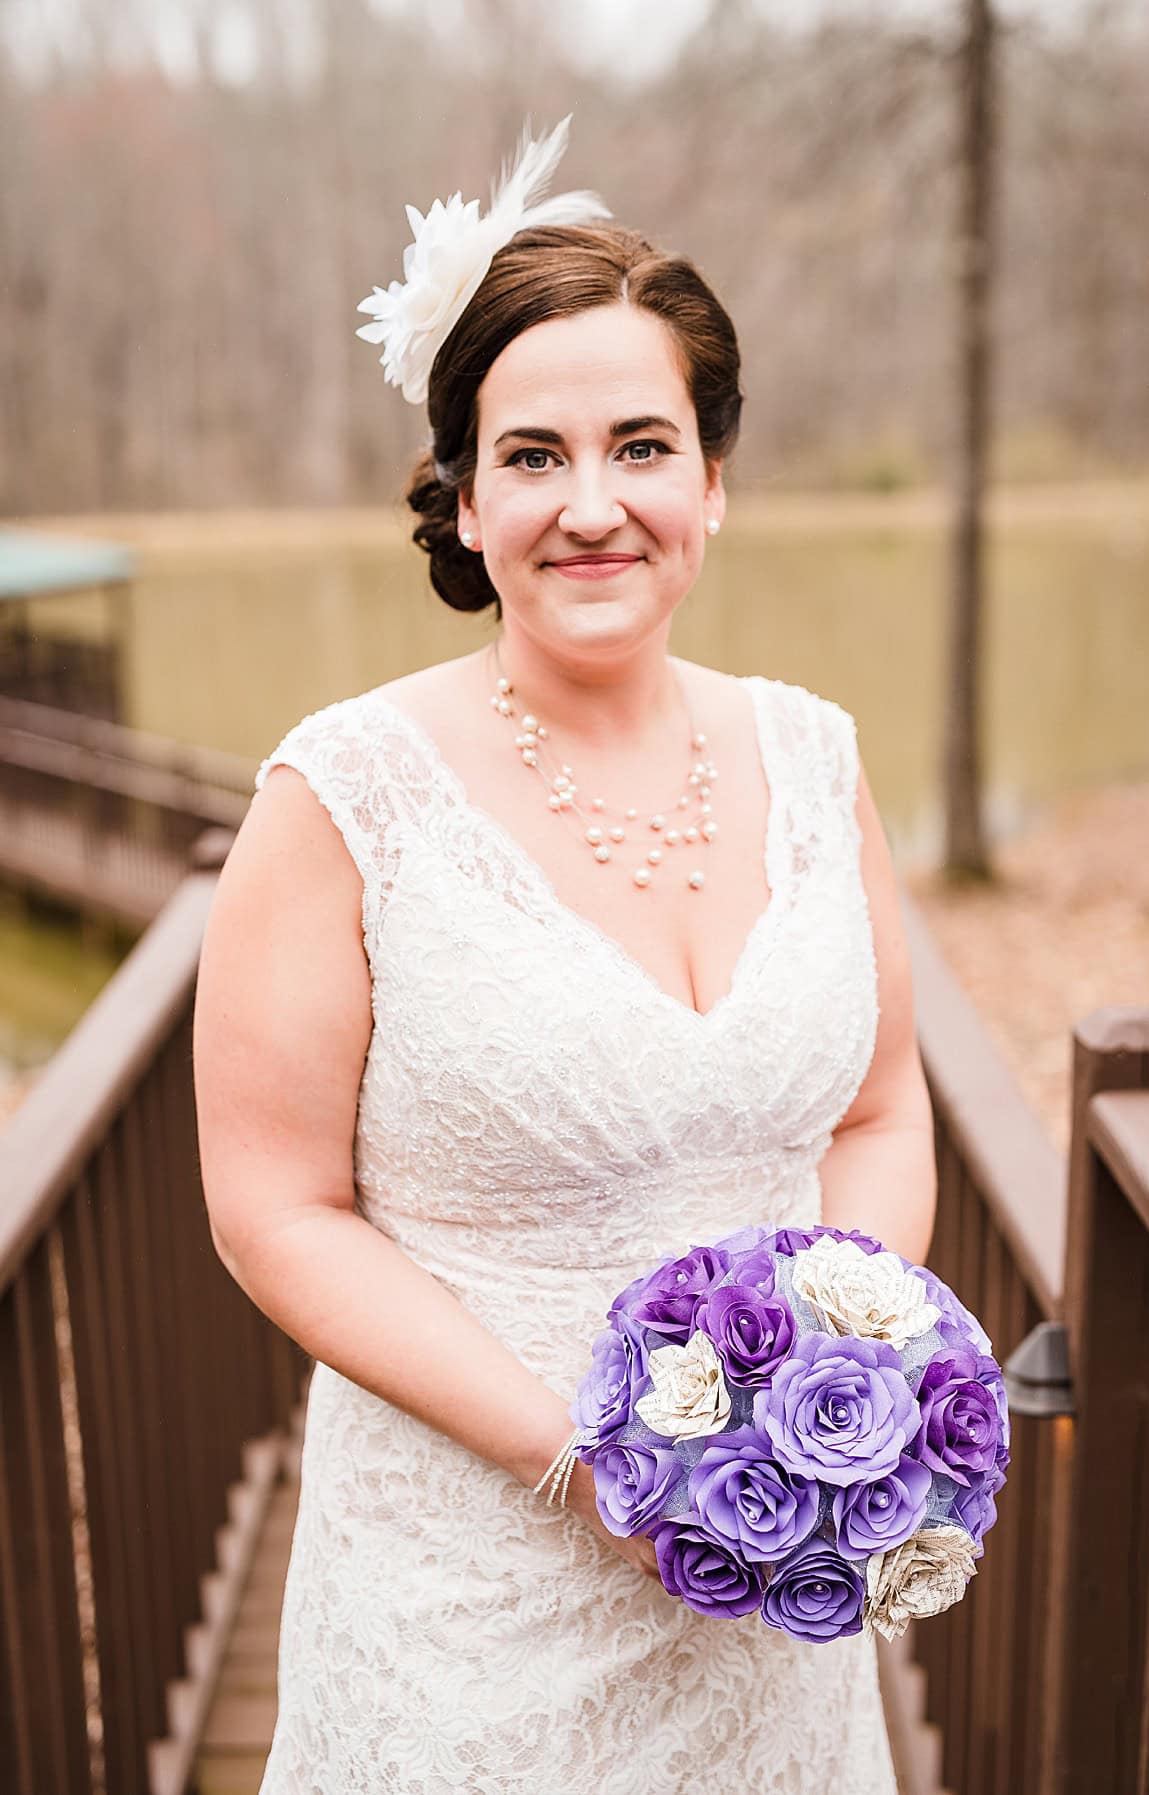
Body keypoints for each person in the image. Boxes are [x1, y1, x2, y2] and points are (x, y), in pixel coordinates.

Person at [194, 121, 924, 1792]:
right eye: (532, 456)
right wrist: (585, 1462)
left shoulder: (816, 758)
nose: (592, 506)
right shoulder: (345, 795)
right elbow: (272, 1203)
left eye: (642, 446)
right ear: (463, 497)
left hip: (766, 1611)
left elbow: (878, 1108)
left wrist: (845, 1366)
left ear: (715, 483)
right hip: (466, 1598)